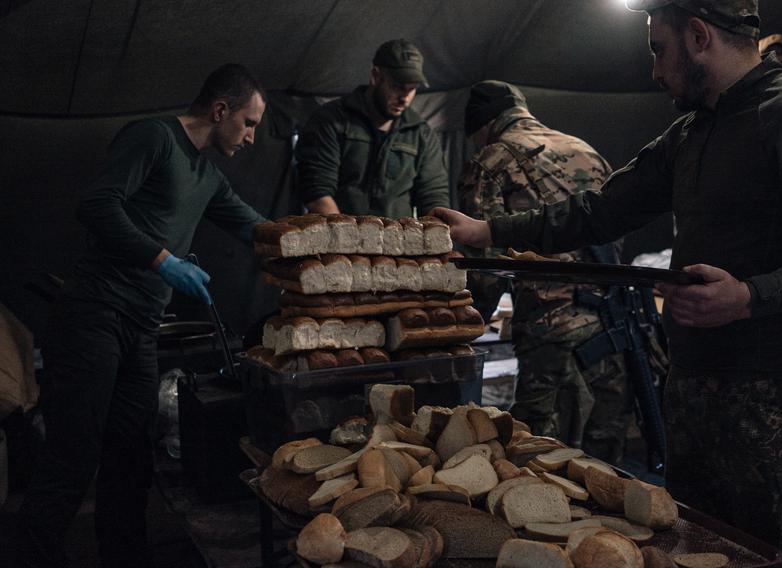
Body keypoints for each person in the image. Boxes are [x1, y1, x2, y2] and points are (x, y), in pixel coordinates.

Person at [432, 1, 782, 565]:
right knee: (699, 548)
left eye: (659, 50)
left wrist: (750, 296)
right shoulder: (693, 132)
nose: (654, 70)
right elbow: (600, 211)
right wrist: (485, 229)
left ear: (699, 35)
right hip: (697, 390)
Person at [17, 64, 269, 568]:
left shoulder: (206, 175)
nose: (251, 137)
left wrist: (323, 244)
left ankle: (126, 557)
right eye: (249, 122)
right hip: (95, 313)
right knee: (74, 454)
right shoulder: (153, 138)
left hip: (141, 327)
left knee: (131, 455)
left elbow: (258, 228)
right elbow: (96, 203)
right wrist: (162, 259)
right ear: (220, 110)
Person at [457, 80, 635, 462]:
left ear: (484, 126)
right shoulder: (583, 150)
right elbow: (614, 229)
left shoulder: (490, 161)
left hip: (549, 327)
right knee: (606, 451)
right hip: (611, 322)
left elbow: (483, 263)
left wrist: (466, 327)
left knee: (538, 452)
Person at [295, 38, 450, 218]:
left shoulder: (420, 134)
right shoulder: (331, 120)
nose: (405, 98)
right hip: (338, 239)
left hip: (397, 243)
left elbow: (434, 196)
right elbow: (317, 190)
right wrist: (347, 240)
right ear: (376, 76)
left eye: (412, 89)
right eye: (397, 86)